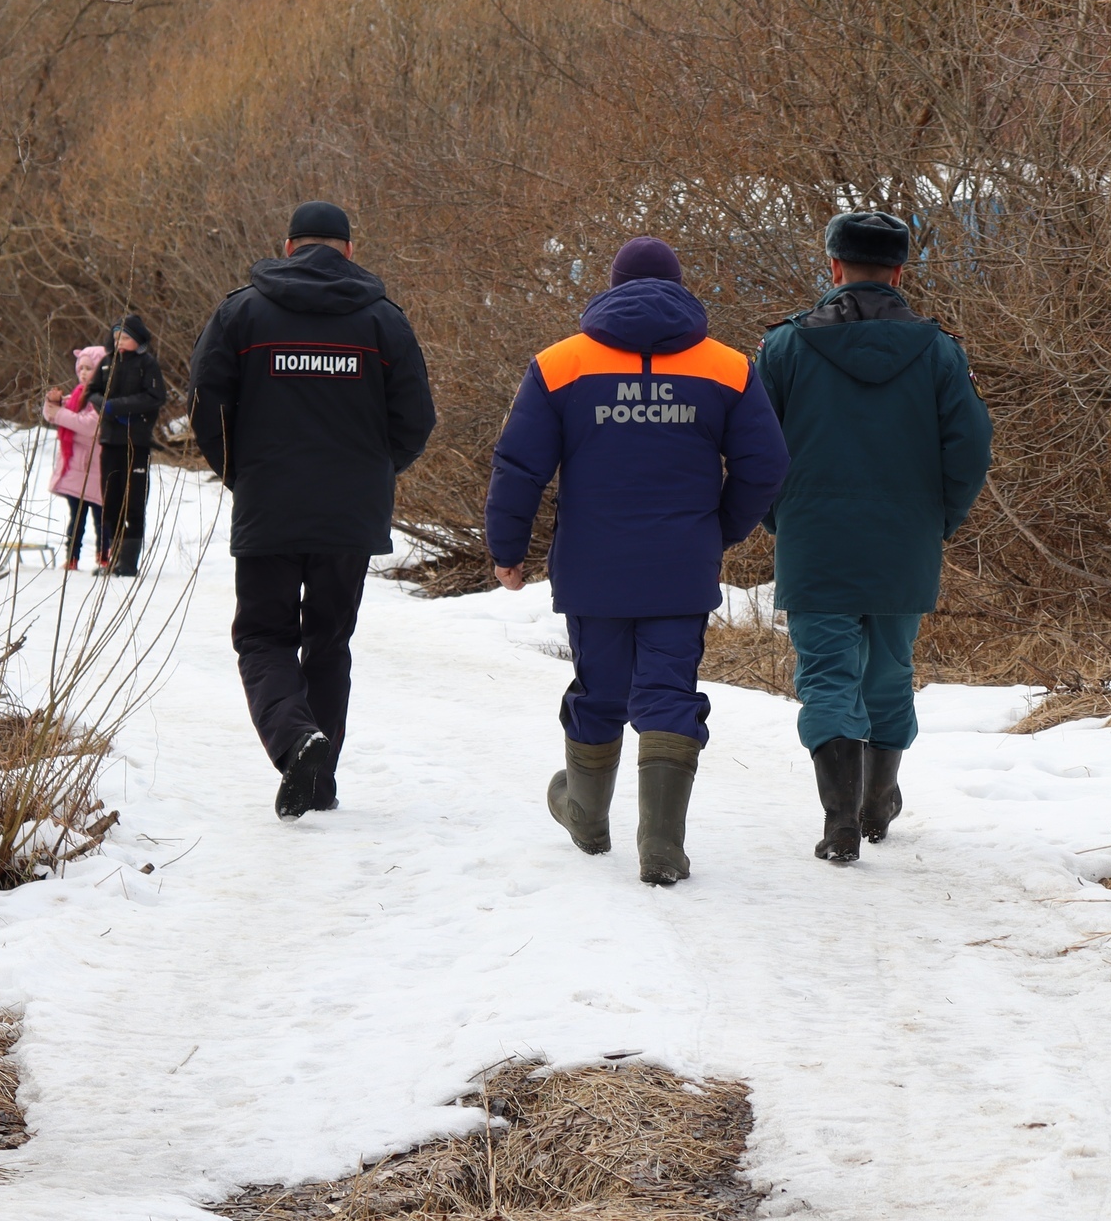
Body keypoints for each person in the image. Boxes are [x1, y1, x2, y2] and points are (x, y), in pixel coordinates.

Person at [484, 236, 789, 886]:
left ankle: (587, 817)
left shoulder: (560, 364)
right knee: (668, 693)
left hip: (592, 568)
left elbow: (519, 467)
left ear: (612, 288)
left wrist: (507, 550)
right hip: (682, 566)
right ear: (679, 290)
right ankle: (662, 847)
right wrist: (719, 528)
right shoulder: (726, 367)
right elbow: (767, 465)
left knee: (599, 688)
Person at [188, 201, 437, 819]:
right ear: (349, 251)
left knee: (264, 636)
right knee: (328, 640)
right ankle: (319, 783)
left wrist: (239, 474)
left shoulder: (242, 313)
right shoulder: (383, 321)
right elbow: (416, 420)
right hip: (349, 516)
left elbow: (204, 405)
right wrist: (372, 476)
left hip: (269, 505)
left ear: (288, 245)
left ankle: (297, 741)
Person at [758, 210, 992, 864]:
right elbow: (971, 447)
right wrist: (940, 516)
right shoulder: (940, 351)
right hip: (904, 536)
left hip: (813, 537)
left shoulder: (784, 348)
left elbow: (754, 444)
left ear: (833, 268)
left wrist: (777, 513)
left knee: (827, 671)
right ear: (898, 271)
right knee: (889, 670)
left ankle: (840, 818)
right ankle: (874, 802)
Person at [85, 314, 167, 576]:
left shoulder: (147, 364)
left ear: (139, 339)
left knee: (133, 501)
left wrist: (120, 407)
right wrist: (105, 406)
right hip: (110, 440)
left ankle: (129, 562)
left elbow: (155, 397)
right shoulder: (107, 363)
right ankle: (114, 558)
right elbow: (92, 392)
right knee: (111, 501)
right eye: (117, 336)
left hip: (136, 442)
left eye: (126, 337)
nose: (120, 341)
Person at [42, 342, 109, 571]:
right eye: (81, 369)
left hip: (97, 467)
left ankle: (104, 557)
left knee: (102, 518)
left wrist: (60, 413)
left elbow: (91, 426)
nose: (83, 373)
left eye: (89, 369)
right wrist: (53, 403)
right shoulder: (78, 396)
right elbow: (54, 416)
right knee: (76, 518)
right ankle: (72, 558)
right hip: (76, 469)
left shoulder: (102, 397)